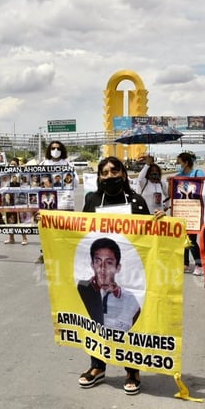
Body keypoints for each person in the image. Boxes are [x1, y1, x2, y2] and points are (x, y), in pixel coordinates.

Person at [77, 156, 163, 395]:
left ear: (124, 175)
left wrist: (158, 221)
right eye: (104, 172)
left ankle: (132, 370)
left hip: (130, 275)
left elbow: (149, 237)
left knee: (129, 324)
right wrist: (50, 222)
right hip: (100, 274)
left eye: (114, 171)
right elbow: (77, 230)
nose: (109, 175)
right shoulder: (92, 200)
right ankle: (97, 367)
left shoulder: (135, 201)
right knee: (98, 321)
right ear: (99, 177)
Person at [77, 237, 141, 330]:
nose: (102, 268)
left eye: (109, 263)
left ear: (118, 267)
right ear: (92, 265)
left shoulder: (131, 300)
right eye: (97, 261)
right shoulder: (81, 289)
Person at [36, 140, 77, 264]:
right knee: (46, 228)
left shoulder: (68, 165)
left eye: (58, 148)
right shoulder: (43, 164)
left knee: (64, 228)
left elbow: (76, 184)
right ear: (49, 150)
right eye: (53, 148)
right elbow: (36, 183)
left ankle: (64, 253)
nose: (55, 151)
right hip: (47, 202)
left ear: (62, 150)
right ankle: (45, 253)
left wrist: (71, 176)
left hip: (64, 203)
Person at [174, 151, 204, 275]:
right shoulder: (178, 175)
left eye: (179, 162)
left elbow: (204, 189)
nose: (177, 164)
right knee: (182, 239)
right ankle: (185, 263)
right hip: (182, 211)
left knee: (191, 239)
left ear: (186, 163)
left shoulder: (198, 173)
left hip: (194, 211)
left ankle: (199, 265)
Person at [4, 157, 29, 245]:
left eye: (14, 164)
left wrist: (22, 167)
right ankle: (11, 238)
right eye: (11, 164)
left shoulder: (20, 173)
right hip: (9, 198)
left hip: (19, 198)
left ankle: (24, 238)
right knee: (10, 218)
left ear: (18, 165)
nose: (12, 166)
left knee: (21, 218)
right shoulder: (7, 174)